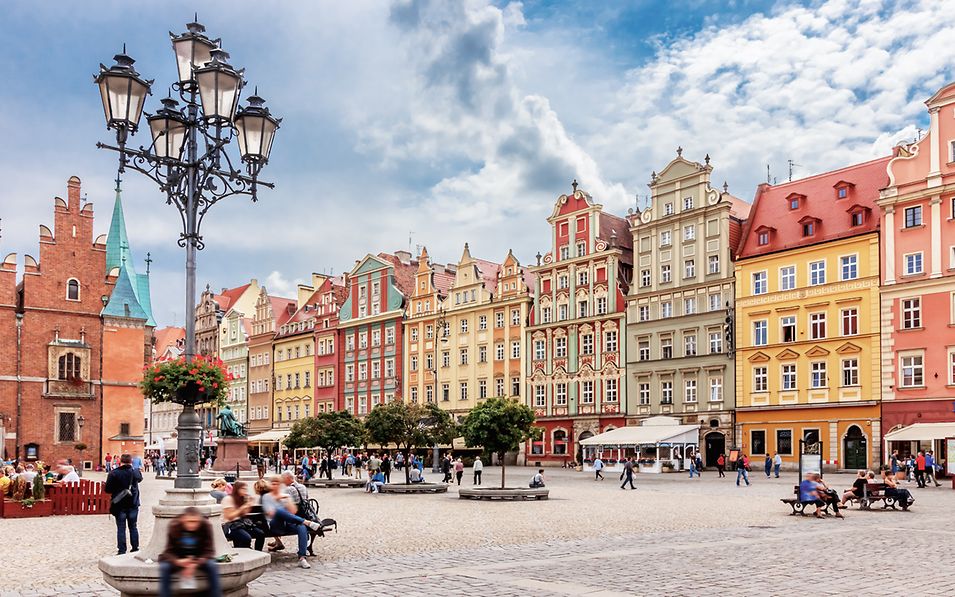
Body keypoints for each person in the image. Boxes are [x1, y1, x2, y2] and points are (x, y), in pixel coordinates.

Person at [262, 475, 322, 568]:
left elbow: (293, 512)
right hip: (275, 526)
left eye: (277, 484)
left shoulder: (284, 495)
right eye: (273, 484)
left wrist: (286, 499)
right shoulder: (266, 497)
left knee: (301, 527)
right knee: (279, 511)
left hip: (288, 523)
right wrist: (277, 501)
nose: (275, 486)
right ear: (270, 485)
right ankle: (307, 522)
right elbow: (271, 513)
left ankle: (302, 557)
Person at [159, 507, 221, 596]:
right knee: (164, 567)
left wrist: (195, 564)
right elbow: (168, 551)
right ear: (183, 519)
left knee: (212, 565)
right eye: (189, 521)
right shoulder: (174, 526)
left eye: (195, 522)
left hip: (199, 558)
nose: (192, 525)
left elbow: (209, 551)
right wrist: (178, 561)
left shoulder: (206, 526)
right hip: (179, 558)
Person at [105, 453, 142, 555]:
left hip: (119, 504)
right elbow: (139, 479)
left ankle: (122, 550)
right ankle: (135, 548)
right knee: (133, 526)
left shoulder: (114, 473)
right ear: (131, 461)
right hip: (133, 503)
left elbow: (108, 489)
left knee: (121, 528)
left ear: (120, 461)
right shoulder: (135, 471)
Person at [221, 481, 265, 551]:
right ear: (237, 489)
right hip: (230, 525)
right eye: (243, 489)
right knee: (246, 538)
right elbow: (229, 516)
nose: (245, 491)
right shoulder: (228, 499)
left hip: (241, 523)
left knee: (260, 534)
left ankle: (258, 552)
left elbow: (243, 514)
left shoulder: (242, 499)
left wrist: (249, 504)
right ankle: (244, 553)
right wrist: (243, 507)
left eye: (246, 489)